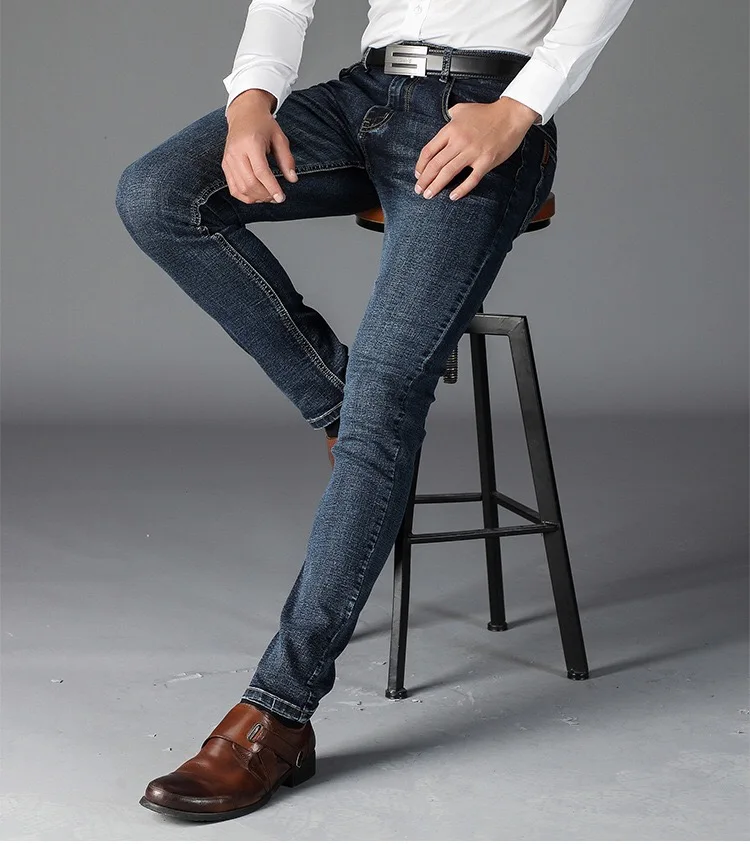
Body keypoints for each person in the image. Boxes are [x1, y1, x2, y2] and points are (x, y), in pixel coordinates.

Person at [116, 0, 634, 823]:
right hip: (364, 98)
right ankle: (337, 399)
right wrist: (251, 101)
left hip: (484, 109)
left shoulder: (507, 113)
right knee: (158, 195)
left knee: (387, 402)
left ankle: (278, 714)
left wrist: (518, 112)